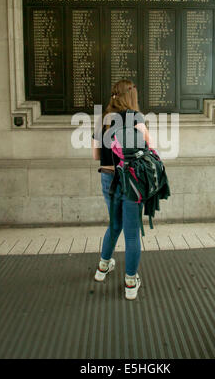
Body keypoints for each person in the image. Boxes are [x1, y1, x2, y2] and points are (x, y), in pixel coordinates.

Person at [91, 79, 153, 300]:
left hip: (107, 178)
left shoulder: (102, 119)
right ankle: (129, 283)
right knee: (132, 233)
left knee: (114, 225)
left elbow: (96, 156)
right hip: (131, 180)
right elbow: (149, 147)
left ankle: (102, 268)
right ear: (131, 95)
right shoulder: (136, 117)